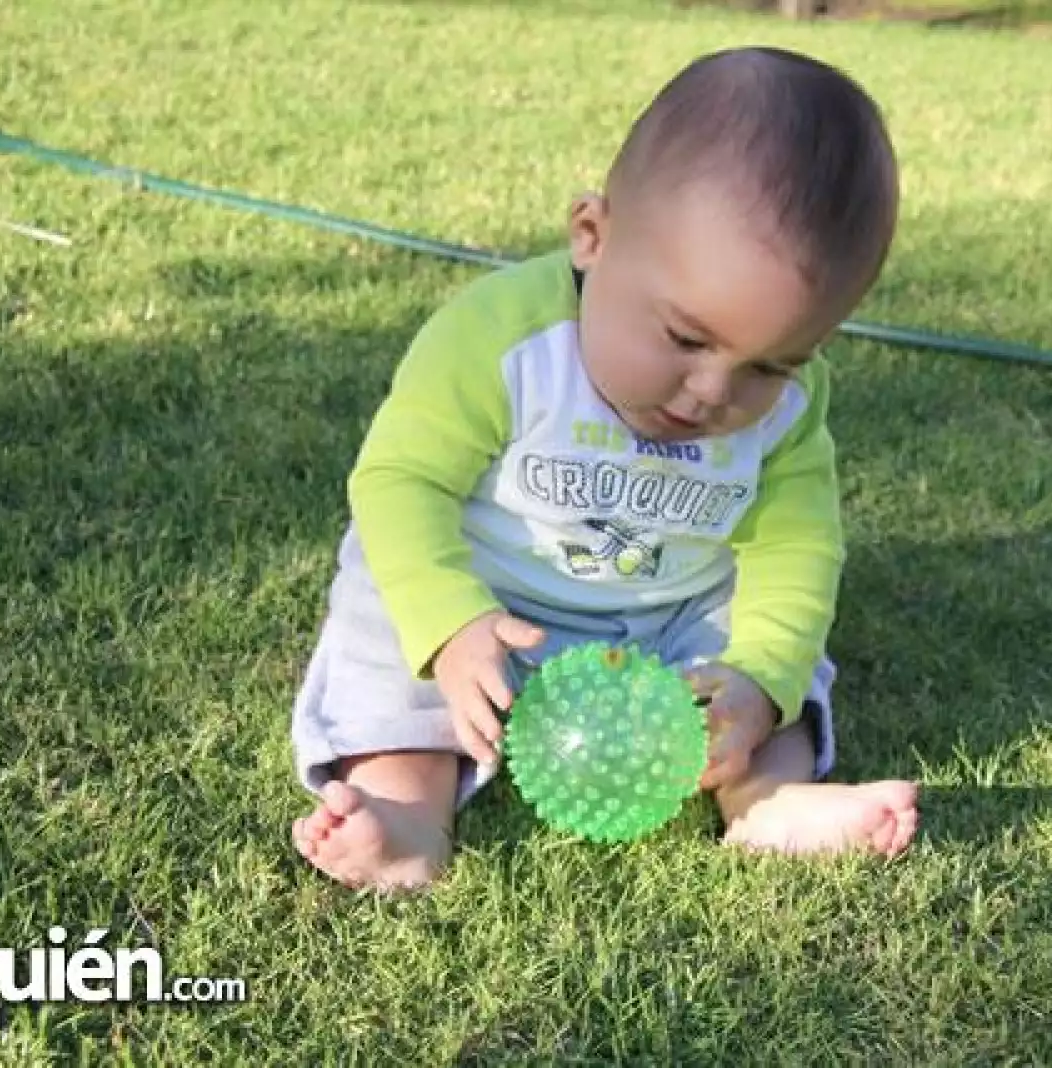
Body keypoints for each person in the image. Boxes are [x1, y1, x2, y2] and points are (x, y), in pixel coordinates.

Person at [290, 45, 919, 892]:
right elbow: (399, 481)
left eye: (771, 365)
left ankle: (772, 802)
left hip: (669, 625)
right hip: (491, 610)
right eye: (687, 339)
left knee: (780, 662)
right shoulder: (504, 340)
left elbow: (797, 550)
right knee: (385, 641)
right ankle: (404, 817)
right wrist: (448, 624)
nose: (710, 392)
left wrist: (758, 681)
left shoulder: (793, 415)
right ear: (593, 237)